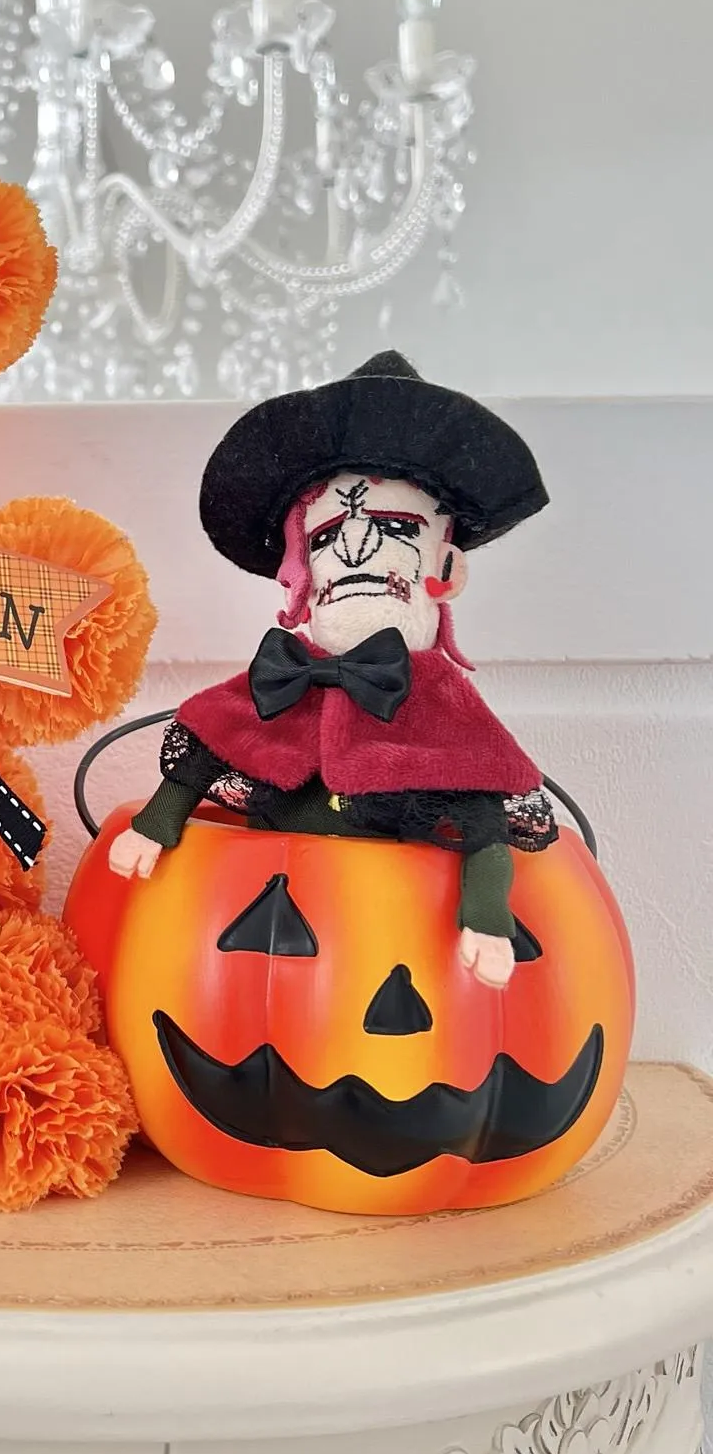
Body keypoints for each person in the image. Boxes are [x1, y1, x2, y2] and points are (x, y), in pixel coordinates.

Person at [108, 352, 557, 990]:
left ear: (446, 567)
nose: (354, 544)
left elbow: (482, 808)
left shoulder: (442, 702)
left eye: (395, 526)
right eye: (323, 537)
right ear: (299, 575)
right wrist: (155, 825)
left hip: (396, 930)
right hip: (264, 899)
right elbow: (216, 739)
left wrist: (486, 914)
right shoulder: (283, 677)